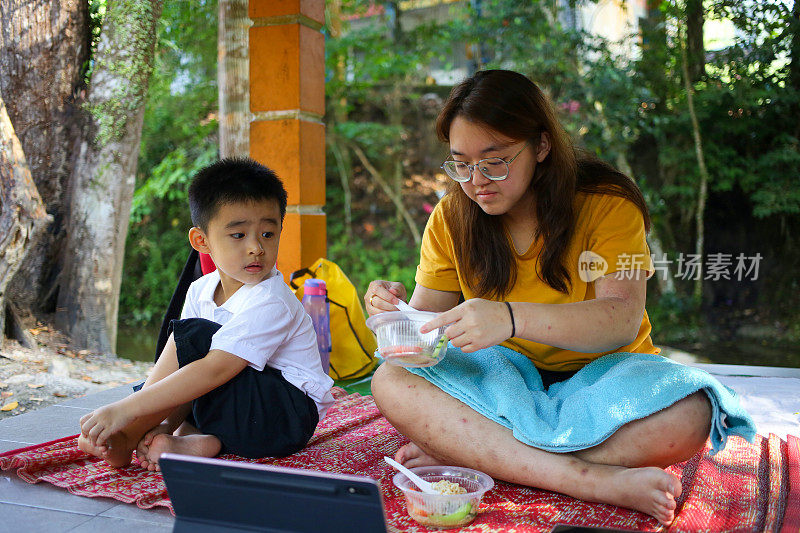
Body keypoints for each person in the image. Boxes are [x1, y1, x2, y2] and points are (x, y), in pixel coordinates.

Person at [365, 70, 754, 526]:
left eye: (495, 161)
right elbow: (427, 322)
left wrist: (510, 318)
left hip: (607, 374)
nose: (477, 181)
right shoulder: (453, 216)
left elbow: (620, 319)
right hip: (500, 378)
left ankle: (481, 452)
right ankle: (589, 478)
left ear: (541, 146)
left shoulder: (608, 204)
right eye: (461, 164)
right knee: (391, 380)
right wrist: (395, 312)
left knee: (692, 414)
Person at [79, 158, 334, 470]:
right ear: (202, 241)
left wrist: (126, 409)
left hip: (284, 418)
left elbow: (214, 370)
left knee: (196, 336)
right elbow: (187, 365)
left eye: (268, 233)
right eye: (238, 235)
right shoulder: (200, 290)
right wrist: (164, 423)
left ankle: (128, 434)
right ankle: (193, 442)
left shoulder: (272, 300)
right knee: (192, 344)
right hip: (241, 415)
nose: (256, 247)